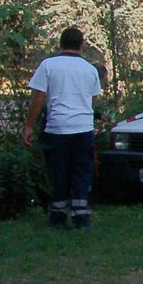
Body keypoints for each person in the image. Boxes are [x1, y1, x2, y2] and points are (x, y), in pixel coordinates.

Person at [22, 26, 104, 230]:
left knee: (59, 171)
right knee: (81, 171)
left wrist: (29, 126)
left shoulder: (48, 65)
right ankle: (81, 215)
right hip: (83, 128)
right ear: (82, 45)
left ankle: (58, 215)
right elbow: (92, 100)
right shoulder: (89, 69)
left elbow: (38, 98)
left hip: (57, 127)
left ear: (60, 43)